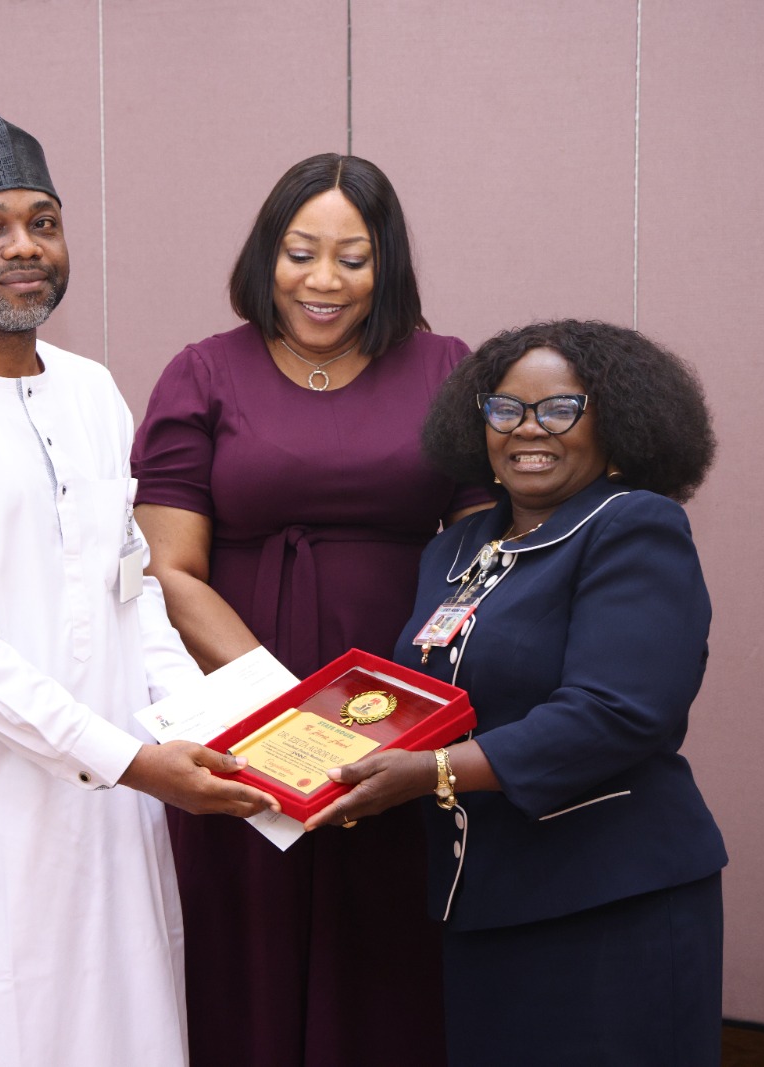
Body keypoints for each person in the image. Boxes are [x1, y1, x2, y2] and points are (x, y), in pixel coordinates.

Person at [0, 109, 276, 1067]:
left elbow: (132, 592)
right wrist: (133, 760)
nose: (23, 246)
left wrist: (217, 730)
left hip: (106, 835)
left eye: (43, 221)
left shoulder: (91, 389)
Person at [131, 153, 488, 1066]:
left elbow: (481, 563)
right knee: (242, 939)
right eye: (300, 253)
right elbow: (168, 569)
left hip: (399, 711)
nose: (323, 280)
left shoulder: (447, 368)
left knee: (388, 942)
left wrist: (397, 717)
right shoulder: (202, 372)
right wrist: (286, 710)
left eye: (353, 258)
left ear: (386, 264)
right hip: (238, 704)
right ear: (267, 255)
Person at [305, 320, 727, 1066]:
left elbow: (616, 711)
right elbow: (423, 698)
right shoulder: (456, 548)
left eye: (559, 409)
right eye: (506, 409)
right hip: (483, 896)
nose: (528, 428)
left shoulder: (634, 525)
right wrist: (309, 758)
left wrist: (432, 772)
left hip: (608, 897)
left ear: (616, 422)